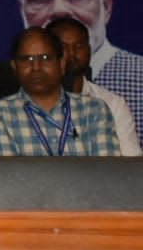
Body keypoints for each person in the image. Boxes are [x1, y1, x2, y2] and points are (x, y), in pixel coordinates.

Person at [0, 0, 143, 144]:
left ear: (106, 4)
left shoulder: (130, 84)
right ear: (22, 8)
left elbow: (124, 167)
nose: (60, 9)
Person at [0, 28, 121, 156]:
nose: (36, 67)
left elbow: (106, 174)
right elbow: (7, 176)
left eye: (45, 58)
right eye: (27, 59)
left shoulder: (94, 110)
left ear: (61, 64)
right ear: (14, 67)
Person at [46, 16, 141, 156]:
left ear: (89, 50)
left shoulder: (112, 104)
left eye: (79, 46)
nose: (72, 54)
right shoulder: (29, 102)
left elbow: (131, 162)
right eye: (63, 47)